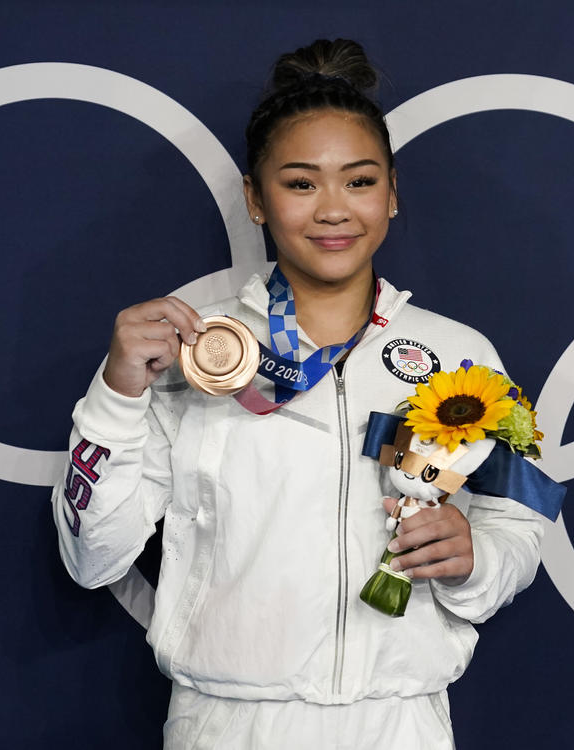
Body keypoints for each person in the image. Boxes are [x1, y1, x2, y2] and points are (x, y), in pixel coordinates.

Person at [53, 38, 545, 749]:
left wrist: (477, 559)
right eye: (301, 182)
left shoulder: (461, 357)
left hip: (400, 722)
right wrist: (117, 392)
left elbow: (521, 528)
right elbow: (90, 557)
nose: (334, 210)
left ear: (394, 192)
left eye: (360, 180)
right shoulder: (194, 346)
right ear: (256, 199)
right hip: (227, 723)